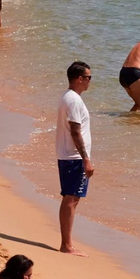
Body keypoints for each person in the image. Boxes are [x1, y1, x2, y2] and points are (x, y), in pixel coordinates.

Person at [57, 61, 94, 255]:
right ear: (79, 79)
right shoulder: (73, 100)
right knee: (71, 199)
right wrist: (86, 159)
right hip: (73, 157)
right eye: (88, 78)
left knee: (71, 198)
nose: (89, 81)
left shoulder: (70, 97)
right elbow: (75, 131)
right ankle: (67, 245)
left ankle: (67, 243)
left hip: (69, 156)